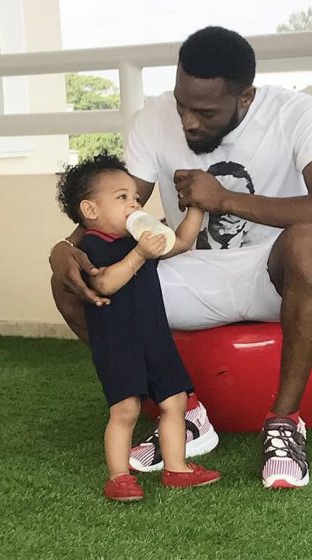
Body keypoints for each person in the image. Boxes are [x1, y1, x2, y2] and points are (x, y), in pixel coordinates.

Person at [50, 26, 312, 489]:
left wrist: (226, 200)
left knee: (310, 242)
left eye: (206, 112)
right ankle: (182, 409)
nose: (189, 122)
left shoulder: (294, 112)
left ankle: (284, 423)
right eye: (182, 106)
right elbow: (115, 209)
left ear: (245, 97)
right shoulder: (153, 119)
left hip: (270, 273)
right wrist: (65, 248)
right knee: (72, 286)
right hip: (185, 269)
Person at [55, 153, 221, 501]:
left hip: (154, 338)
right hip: (119, 345)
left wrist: (197, 207)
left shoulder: (138, 239)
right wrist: (140, 255)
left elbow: (180, 242)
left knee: (175, 402)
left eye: (135, 197)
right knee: (125, 410)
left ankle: (177, 468)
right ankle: (119, 477)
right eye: (122, 197)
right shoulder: (92, 246)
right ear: (90, 210)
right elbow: (104, 283)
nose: (134, 203)